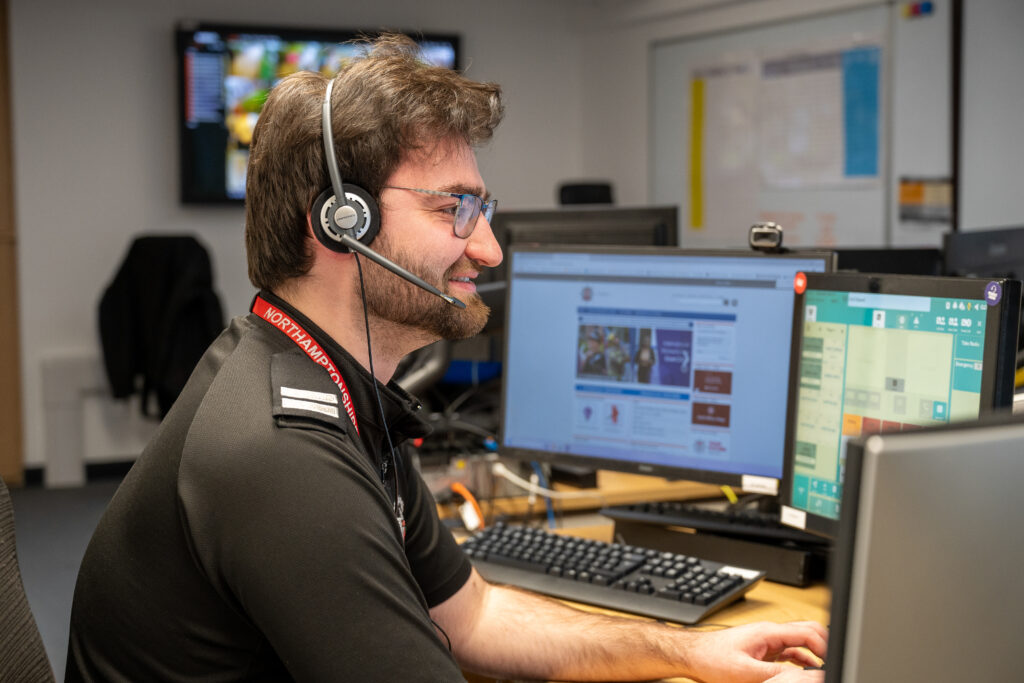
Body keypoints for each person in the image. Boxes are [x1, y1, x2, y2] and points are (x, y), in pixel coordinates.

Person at [65, 35, 826, 682]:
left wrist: (686, 652)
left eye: (483, 209)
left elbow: (476, 614)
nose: (488, 247)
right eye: (454, 207)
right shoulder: (280, 452)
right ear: (340, 222)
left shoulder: (329, 384)